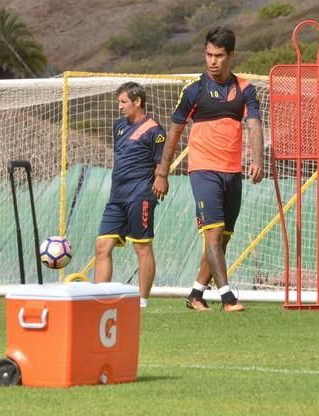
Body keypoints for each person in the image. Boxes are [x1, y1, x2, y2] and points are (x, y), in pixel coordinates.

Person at [153, 26, 264, 312]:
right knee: (213, 235)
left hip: (232, 172)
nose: (212, 61)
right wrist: (162, 173)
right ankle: (227, 297)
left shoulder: (245, 90)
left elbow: (254, 124)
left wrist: (258, 159)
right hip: (203, 171)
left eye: (219, 56)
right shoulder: (194, 91)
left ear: (231, 56)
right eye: (208, 54)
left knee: (222, 238)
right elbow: (175, 131)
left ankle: (196, 293)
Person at [95, 81, 166, 309]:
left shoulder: (155, 130)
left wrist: (161, 179)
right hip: (117, 196)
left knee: (142, 247)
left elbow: (160, 164)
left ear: (138, 102)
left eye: (123, 102)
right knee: (102, 247)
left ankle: (142, 300)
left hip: (140, 195)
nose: (120, 107)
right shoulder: (119, 126)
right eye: (119, 102)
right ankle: (99, 298)